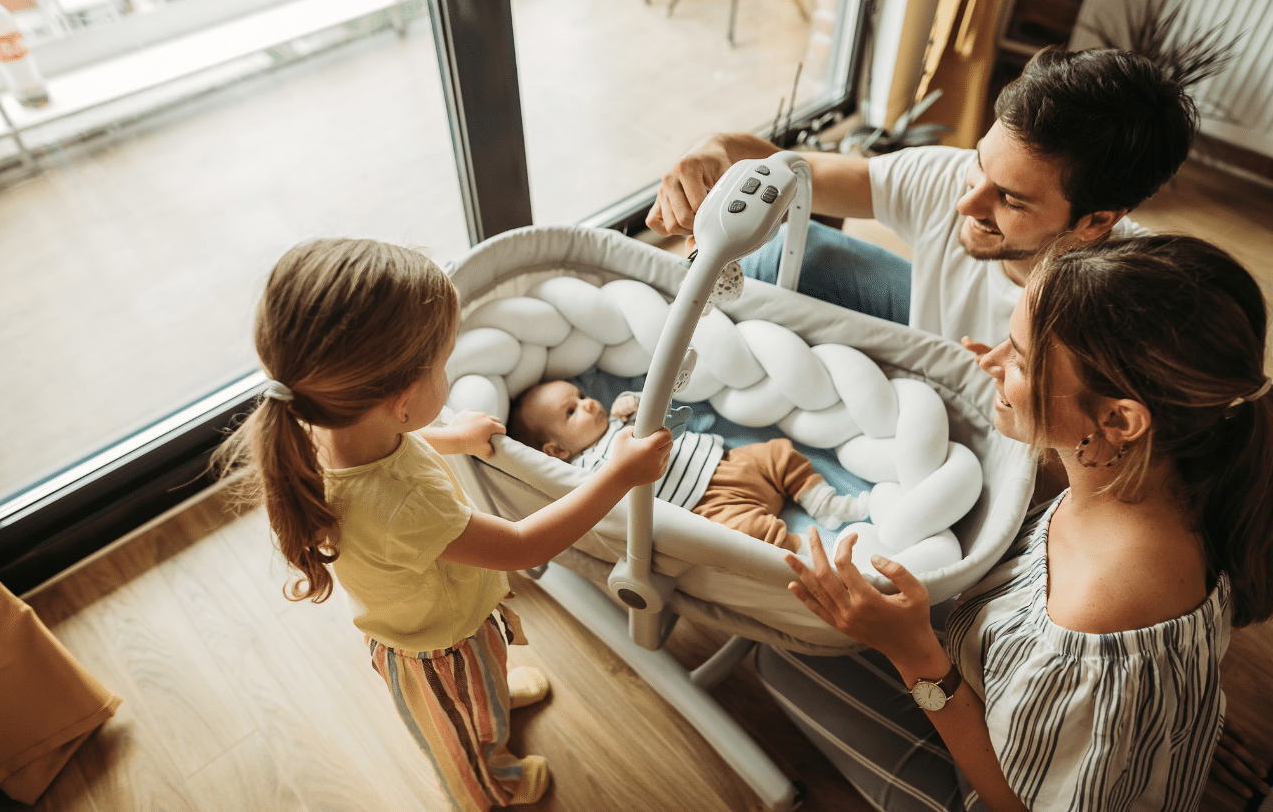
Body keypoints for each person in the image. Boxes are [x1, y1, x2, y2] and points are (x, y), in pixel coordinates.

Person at [775, 234, 1273, 811]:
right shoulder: (1187, 474)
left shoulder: (1091, 618)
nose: (987, 362)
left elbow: (1015, 803)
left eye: (1018, 359)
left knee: (785, 654)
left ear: (1119, 419)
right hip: (1087, 732)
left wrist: (912, 652)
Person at [211, 238, 672, 812]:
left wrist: (449, 438)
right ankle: (486, 786)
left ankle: (492, 702)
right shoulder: (405, 507)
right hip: (440, 650)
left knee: (486, 691)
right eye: (442, 365)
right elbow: (523, 545)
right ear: (401, 402)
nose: (448, 375)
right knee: (459, 736)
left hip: (449, 618)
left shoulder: (329, 426)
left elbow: (395, 445)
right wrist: (619, 476)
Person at [647, 46, 1200, 354]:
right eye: (980, 163)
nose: (968, 203)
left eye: (1009, 199)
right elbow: (795, 173)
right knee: (774, 252)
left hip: (1001, 406)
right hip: (928, 335)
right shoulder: (950, 179)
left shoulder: (1130, 309)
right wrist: (714, 149)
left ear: (1096, 222)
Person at [510, 380, 869, 552]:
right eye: (571, 412)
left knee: (779, 453)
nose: (588, 405)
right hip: (705, 506)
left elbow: (678, 422)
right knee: (748, 535)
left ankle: (825, 504)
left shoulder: (624, 421)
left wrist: (640, 407)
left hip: (728, 461)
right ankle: (806, 553)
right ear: (556, 450)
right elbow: (608, 501)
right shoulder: (586, 470)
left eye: (583, 396)